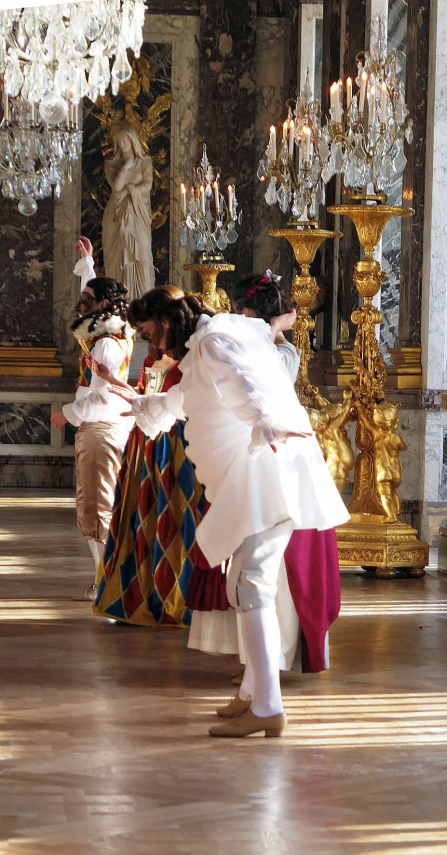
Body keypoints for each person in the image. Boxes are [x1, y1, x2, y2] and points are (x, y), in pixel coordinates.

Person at [111, 289, 349, 738]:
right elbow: (185, 400)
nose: (154, 346)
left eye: (149, 334)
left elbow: (245, 384)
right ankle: (252, 697)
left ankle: (267, 706)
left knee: (248, 585)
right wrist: (145, 405)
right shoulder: (217, 338)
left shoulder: (213, 343)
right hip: (258, 474)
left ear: (166, 321)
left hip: (263, 473)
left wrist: (265, 421)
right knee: (243, 585)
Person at [189, 274, 342, 708]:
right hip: (247, 457)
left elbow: (262, 388)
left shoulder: (279, 352)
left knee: (267, 575)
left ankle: (268, 670)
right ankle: (255, 675)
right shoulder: (242, 342)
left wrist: (273, 332)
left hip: (271, 462)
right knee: (246, 574)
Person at [91, 285, 207, 626]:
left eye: (147, 332)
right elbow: (147, 395)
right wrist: (120, 386)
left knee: (177, 517)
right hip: (145, 445)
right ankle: (141, 592)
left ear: (166, 322)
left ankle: (179, 597)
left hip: (179, 448)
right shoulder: (152, 356)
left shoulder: (193, 355)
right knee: (142, 516)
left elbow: (180, 404)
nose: (148, 341)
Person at [50, 237, 135, 600]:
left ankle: (105, 580)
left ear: (102, 305)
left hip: (101, 428)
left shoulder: (105, 344)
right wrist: (89, 264)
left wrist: (66, 414)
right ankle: (104, 575)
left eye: (87, 300)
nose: (79, 305)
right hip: (108, 427)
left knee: (96, 504)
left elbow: (101, 394)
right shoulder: (112, 328)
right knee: (99, 501)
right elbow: (96, 304)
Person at [102, 123, 155, 299]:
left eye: (125, 140)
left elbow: (147, 185)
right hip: (116, 215)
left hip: (138, 215)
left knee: (142, 254)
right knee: (117, 258)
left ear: (133, 141)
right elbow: (116, 186)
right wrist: (126, 167)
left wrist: (129, 190)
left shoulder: (145, 162)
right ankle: (119, 304)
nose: (123, 144)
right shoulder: (111, 164)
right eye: (119, 141)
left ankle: (143, 302)